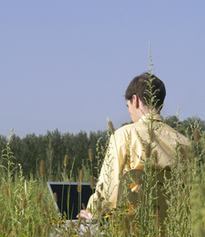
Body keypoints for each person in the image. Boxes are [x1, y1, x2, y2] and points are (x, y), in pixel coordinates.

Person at [79, 72, 189, 219]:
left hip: (132, 232)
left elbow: (109, 190)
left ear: (135, 100)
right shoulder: (184, 142)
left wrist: (92, 213)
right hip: (173, 233)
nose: (130, 113)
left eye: (128, 105)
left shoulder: (124, 136)